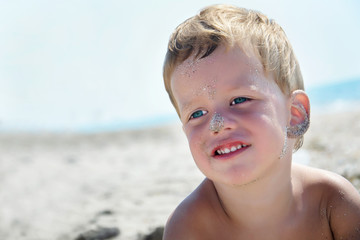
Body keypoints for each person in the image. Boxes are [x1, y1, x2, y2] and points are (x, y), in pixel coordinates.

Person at [161, 4, 360, 240]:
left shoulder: (331, 202)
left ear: (295, 113)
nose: (217, 124)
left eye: (240, 99)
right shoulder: (190, 228)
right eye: (196, 114)